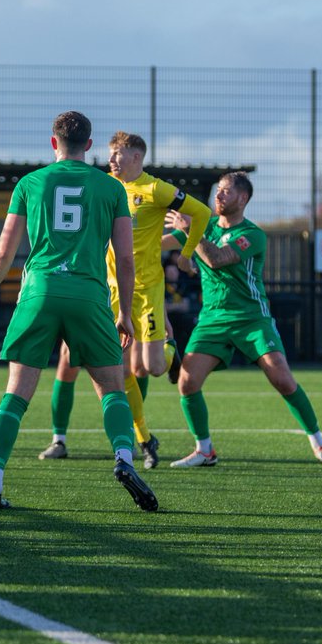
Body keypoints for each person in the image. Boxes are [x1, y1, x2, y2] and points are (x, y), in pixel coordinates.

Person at [0, 111, 157, 512]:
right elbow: (124, 258)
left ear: (54, 143)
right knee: (111, 387)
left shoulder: (30, 183)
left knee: (16, 393)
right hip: (88, 295)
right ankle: (124, 458)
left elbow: (4, 249)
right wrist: (123, 311)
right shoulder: (111, 188)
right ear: (89, 146)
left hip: (38, 292)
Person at [37, 131, 211, 469]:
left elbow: (197, 216)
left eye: (118, 153)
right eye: (110, 153)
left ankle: (171, 351)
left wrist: (186, 253)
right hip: (105, 291)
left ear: (136, 156)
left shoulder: (155, 189)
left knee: (151, 367)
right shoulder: (104, 186)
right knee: (107, 365)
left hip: (145, 289)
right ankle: (140, 436)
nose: (111, 159)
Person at [170, 171, 322, 470]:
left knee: (282, 379)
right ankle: (204, 450)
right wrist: (127, 239)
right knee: (187, 383)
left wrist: (190, 234)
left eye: (226, 191)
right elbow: (164, 244)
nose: (219, 195)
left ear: (243, 198)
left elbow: (216, 258)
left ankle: (319, 443)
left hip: (252, 318)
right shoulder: (205, 224)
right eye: (218, 191)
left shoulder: (252, 235)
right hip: (213, 318)